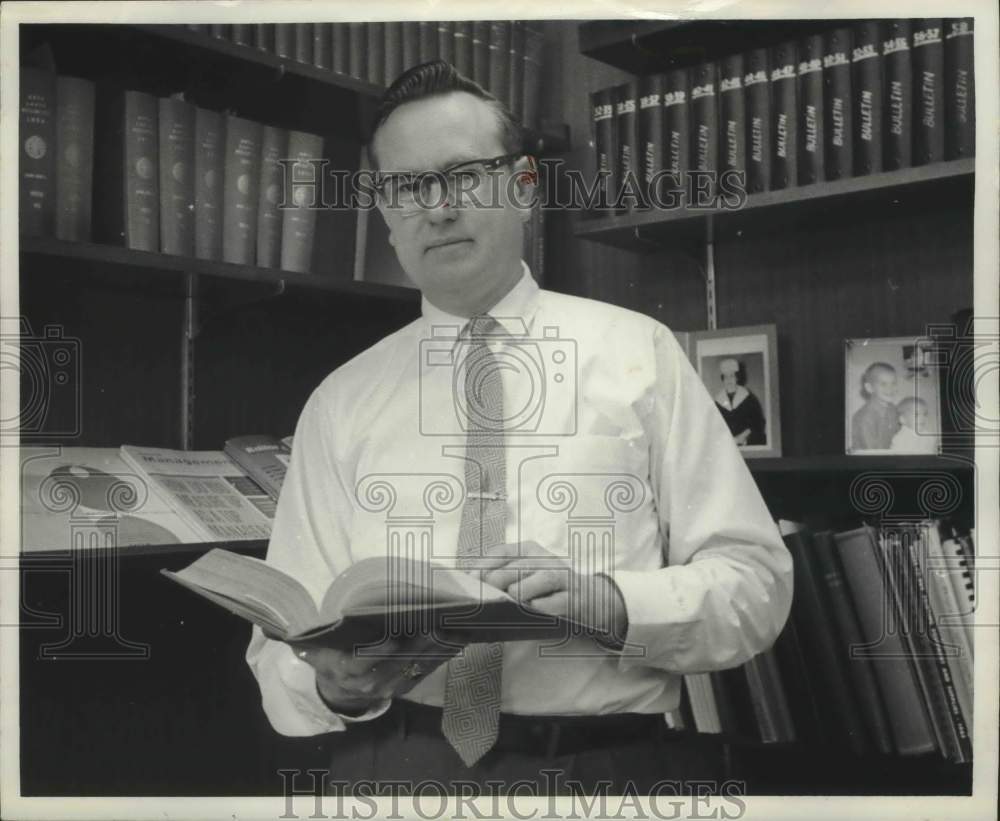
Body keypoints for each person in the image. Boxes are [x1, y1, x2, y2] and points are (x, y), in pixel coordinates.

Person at [246, 61, 792, 795]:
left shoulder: (641, 356)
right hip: (391, 770)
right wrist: (336, 685)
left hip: (609, 771)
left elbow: (755, 588)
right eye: (407, 186)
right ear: (384, 211)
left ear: (526, 187)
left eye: (464, 174)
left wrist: (610, 602)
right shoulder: (340, 401)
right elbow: (279, 645)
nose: (436, 208)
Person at [713, 358, 767, 447]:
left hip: (747, 441)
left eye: (732, 376)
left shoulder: (748, 398)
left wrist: (742, 437)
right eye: (726, 377)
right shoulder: (718, 400)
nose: (729, 380)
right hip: (726, 443)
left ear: (737, 377)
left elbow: (758, 422)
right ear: (722, 379)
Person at [851, 361, 900, 451]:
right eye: (883, 384)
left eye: (893, 383)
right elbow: (871, 452)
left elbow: (899, 433)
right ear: (869, 388)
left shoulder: (893, 409)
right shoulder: (864, 418)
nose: (890, 388)